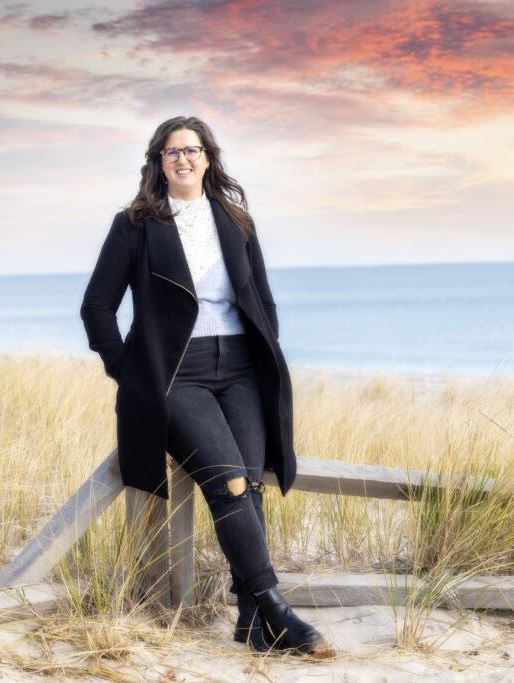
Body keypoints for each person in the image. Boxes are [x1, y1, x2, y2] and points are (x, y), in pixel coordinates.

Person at [81, 116, 329, 656]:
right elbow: (97, 306)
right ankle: (276, 609)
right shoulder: (135, 224)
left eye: (192, 150)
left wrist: (266, 349)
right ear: (158, 162)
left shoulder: (236, 220)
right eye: (171, 153)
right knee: (230, 483)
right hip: (178, 373)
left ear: (208, 159)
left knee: (252, 482)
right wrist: (131, 370)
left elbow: (262, 298)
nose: (183, 160)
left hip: (240, 366)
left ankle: (250, 622)